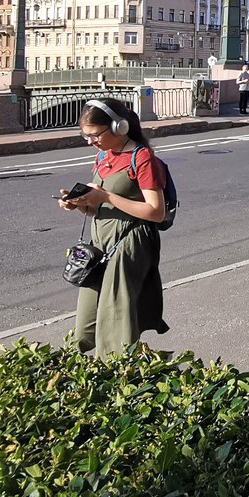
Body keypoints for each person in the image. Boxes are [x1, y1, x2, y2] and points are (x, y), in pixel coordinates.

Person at [59, 98, 169, 356]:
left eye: (95, 135)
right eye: (85, 135)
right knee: (87, 317)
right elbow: (97, 208)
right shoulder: (102, 156)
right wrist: (79, 204)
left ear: (119, 127)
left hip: (129, 241)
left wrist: (106, 197)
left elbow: (156, 212)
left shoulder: (142, 158)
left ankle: (120, 370)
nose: (90, 141)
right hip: (101, 241)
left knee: (115, 318)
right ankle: (92, 367)